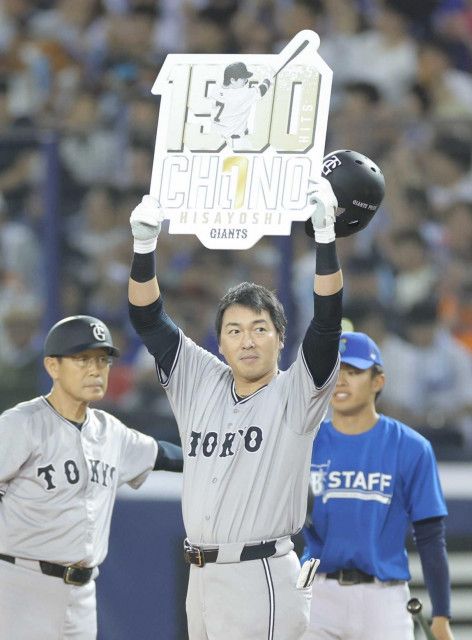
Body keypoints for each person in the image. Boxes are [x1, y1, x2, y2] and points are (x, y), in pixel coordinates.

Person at [127, 177, 343, 639]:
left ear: (281, 339)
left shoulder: (297, 392)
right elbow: (148, 318)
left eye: (260, 329)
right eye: (234, 331)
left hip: (261, 573)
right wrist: (144, 247)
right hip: (200, 575)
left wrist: (326, 240)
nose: (247, 341)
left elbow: (326, 325)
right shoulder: (198, 378)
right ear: (220, 342)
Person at [0, 314, 183, 640]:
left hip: (83, 594)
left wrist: (221, 457)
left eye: (102, 360)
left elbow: (164, 455)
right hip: (21, 586)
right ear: (53, 366)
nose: (95, 369)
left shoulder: (110, 431)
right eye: (82, 359)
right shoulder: (21, 424)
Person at [301, 331, 454, 640]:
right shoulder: (304, 443)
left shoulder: (411, 447)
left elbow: (430, 537)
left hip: (384, 598)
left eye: (353, 371)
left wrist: (441, 615)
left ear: (378, 381)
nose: (341, 381)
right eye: (335, 371)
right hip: (315, 592)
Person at [209, 61, 271, 145]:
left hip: (215, 139)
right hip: (236, 141)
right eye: (243, 78)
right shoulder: (242, 94)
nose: (246, 80)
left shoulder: (215, 90)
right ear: (232, 80)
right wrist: (267, 80)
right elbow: (262, 89)